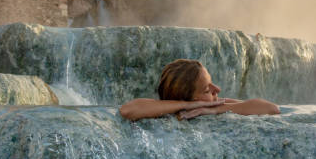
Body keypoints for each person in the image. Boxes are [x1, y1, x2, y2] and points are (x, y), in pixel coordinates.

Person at [120, 59, 280, 121]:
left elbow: (271, 109)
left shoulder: (214, 105)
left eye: (212, 83)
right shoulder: (175, 112)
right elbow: (128, 110)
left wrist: (214, 110)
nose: (217, 89)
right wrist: (187, 106)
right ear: (191, 100)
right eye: (206, 90)